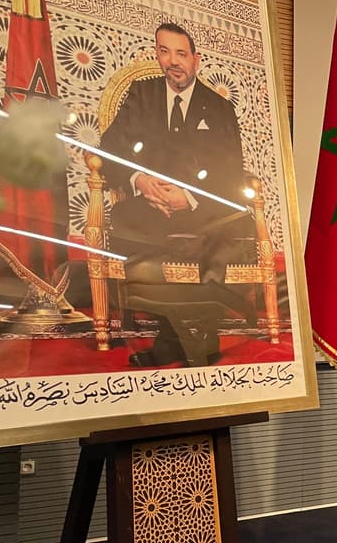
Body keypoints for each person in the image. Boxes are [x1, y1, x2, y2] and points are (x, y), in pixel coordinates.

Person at [100, 22, 253, 367]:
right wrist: (139, 180)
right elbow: (109, 146)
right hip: (150, 205)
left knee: (219, 229)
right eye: (164, 52)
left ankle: (177, 340)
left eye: (181, 53)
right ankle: (194, 338)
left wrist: (190, 197)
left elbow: (231, 170)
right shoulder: (142, 94)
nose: (173, 61)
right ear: (157, 55)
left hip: (202, 206)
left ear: (195, 59)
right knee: (129, 223)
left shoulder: (218, 107)